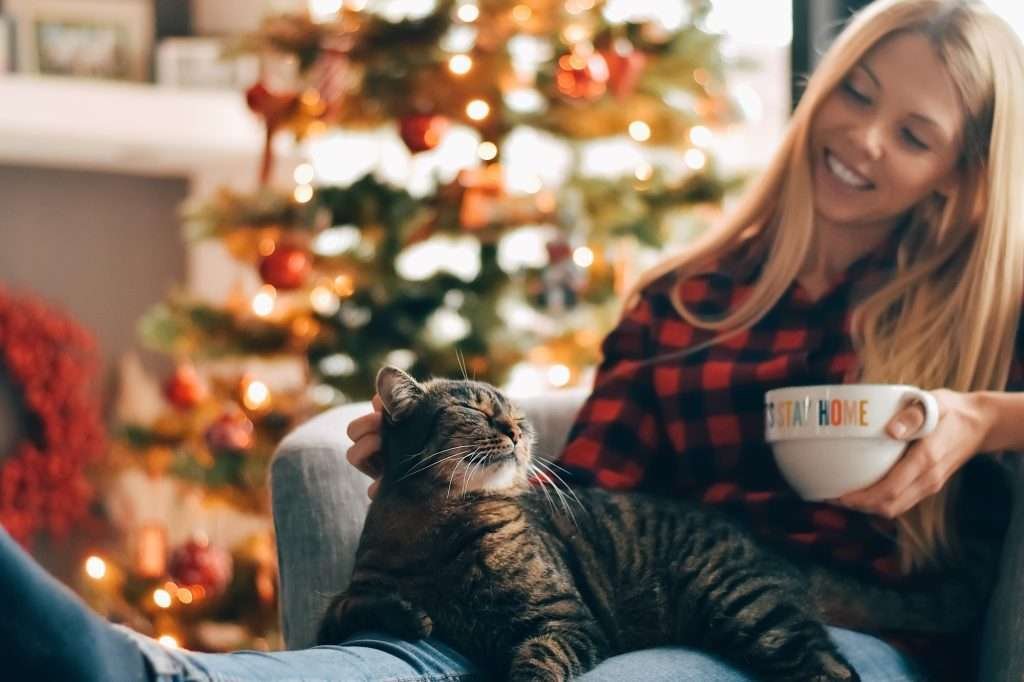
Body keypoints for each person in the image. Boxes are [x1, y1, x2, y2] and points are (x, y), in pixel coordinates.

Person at [1, 0, 1022, 680]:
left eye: (913, 133)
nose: (860, 137)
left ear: (961, 173)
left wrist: (986, 418)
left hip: (835, 640)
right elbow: (581, 488)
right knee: (426, 654)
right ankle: (148, 671)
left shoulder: (979, 309)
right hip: (617, 599)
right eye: (853, 91)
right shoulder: (688, 297)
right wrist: (445, 471)